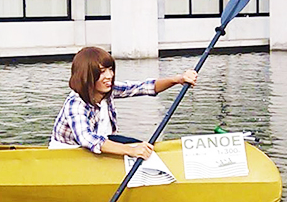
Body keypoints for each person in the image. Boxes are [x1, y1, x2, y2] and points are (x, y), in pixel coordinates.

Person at [49, 46, 198, 159]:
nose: (109, 76)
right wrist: (131, 151)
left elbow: (145, 87)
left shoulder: (108, 89)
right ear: (87, 76)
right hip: (70, 155)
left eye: (110, 69)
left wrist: (178, 79)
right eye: (101, 72)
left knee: (145, 147)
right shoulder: (76, 103)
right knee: (134, 148)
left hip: (101, 143)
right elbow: (88, 139)